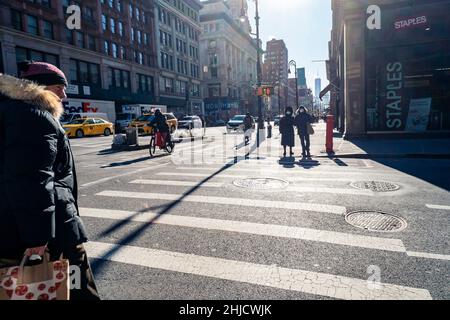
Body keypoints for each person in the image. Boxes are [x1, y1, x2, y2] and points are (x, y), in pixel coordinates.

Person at [0, 61, 100, 300]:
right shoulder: (34, 117)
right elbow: (31, 178)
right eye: (59, 87)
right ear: (42, 88)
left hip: (17, 225)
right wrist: (37, 237)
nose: (64, 94)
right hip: (52, 228)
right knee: (78, 288)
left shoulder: (13, 111)